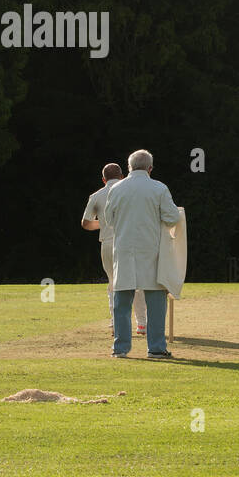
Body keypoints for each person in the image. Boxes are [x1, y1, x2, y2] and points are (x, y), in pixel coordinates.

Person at [104, 150, 180, 359]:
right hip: (151, 250)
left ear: (128, 167)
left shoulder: (116, 189)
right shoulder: (158, 188)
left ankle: (120, 348)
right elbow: (172, 217)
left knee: (121, 303)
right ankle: (156, 347)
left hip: (124, 249)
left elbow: (109, 220)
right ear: (150, 168)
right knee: (155, 301)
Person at [82, 163, 147, 333]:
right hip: (129, 242)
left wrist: (103, 225)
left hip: (107, 243)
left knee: (113, 284)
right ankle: (142, 324)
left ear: (103, 179)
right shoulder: (129, 191)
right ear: (122, 176)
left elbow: (86, 223)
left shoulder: (96, 196)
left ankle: (116, 323)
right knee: (136, 283)